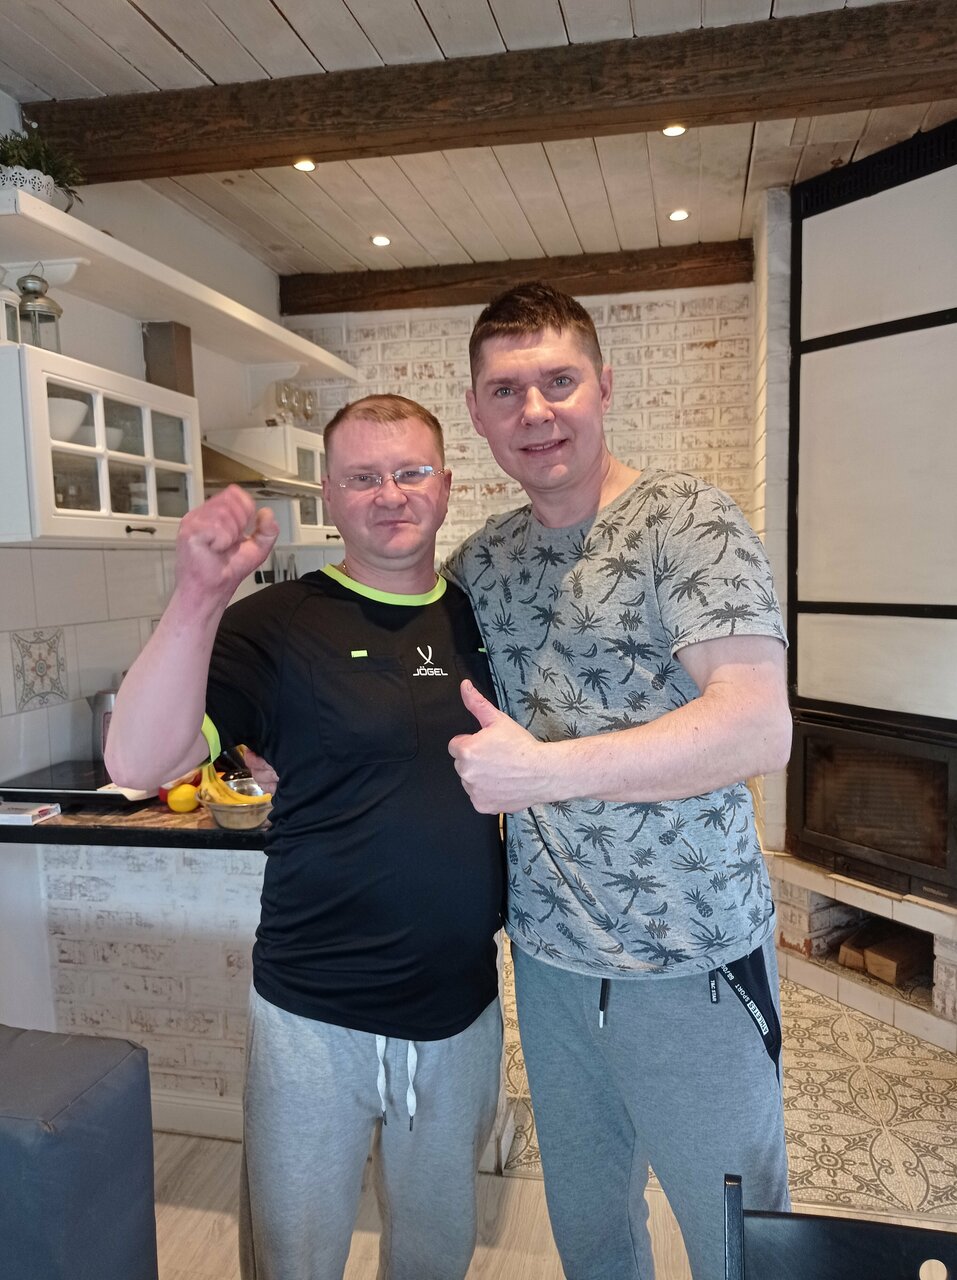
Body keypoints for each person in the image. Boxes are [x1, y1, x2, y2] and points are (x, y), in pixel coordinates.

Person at [105, 394, 505, 1280]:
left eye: (410, 472)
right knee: (294, 1259)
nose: (389, 494)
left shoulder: (483, 620)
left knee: (437, 1255)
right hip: (312, 1015)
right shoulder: (274, 622)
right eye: (362, 477)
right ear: (329, 495)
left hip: (460, 1010)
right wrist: (199, 595)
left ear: (446, 484)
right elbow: (138, 760)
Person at [442, 282, 793, 1280]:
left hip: (691, 960)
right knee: (592, 1232)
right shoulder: (482, 563)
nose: (535, 411)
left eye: (558, 381)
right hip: (551, 962)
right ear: (477, 413)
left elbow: (757, 723)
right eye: (506, 391)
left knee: (739, 1241)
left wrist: (543, 770)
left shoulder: (685, 520)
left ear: (604, 385)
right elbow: (414, 684)